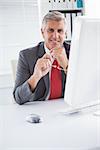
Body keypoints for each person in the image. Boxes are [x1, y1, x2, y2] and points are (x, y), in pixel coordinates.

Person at [13, 11, 70, 105]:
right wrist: (36, 76)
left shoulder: (75, 53)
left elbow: (86, 90)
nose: (55, 36)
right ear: (42, 32)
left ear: (65, 34)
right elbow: (18, 98)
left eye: (60, 31)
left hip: (66, 108)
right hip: (40, 111)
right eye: (50, 30)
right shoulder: (26, 56)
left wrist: (67, 66)